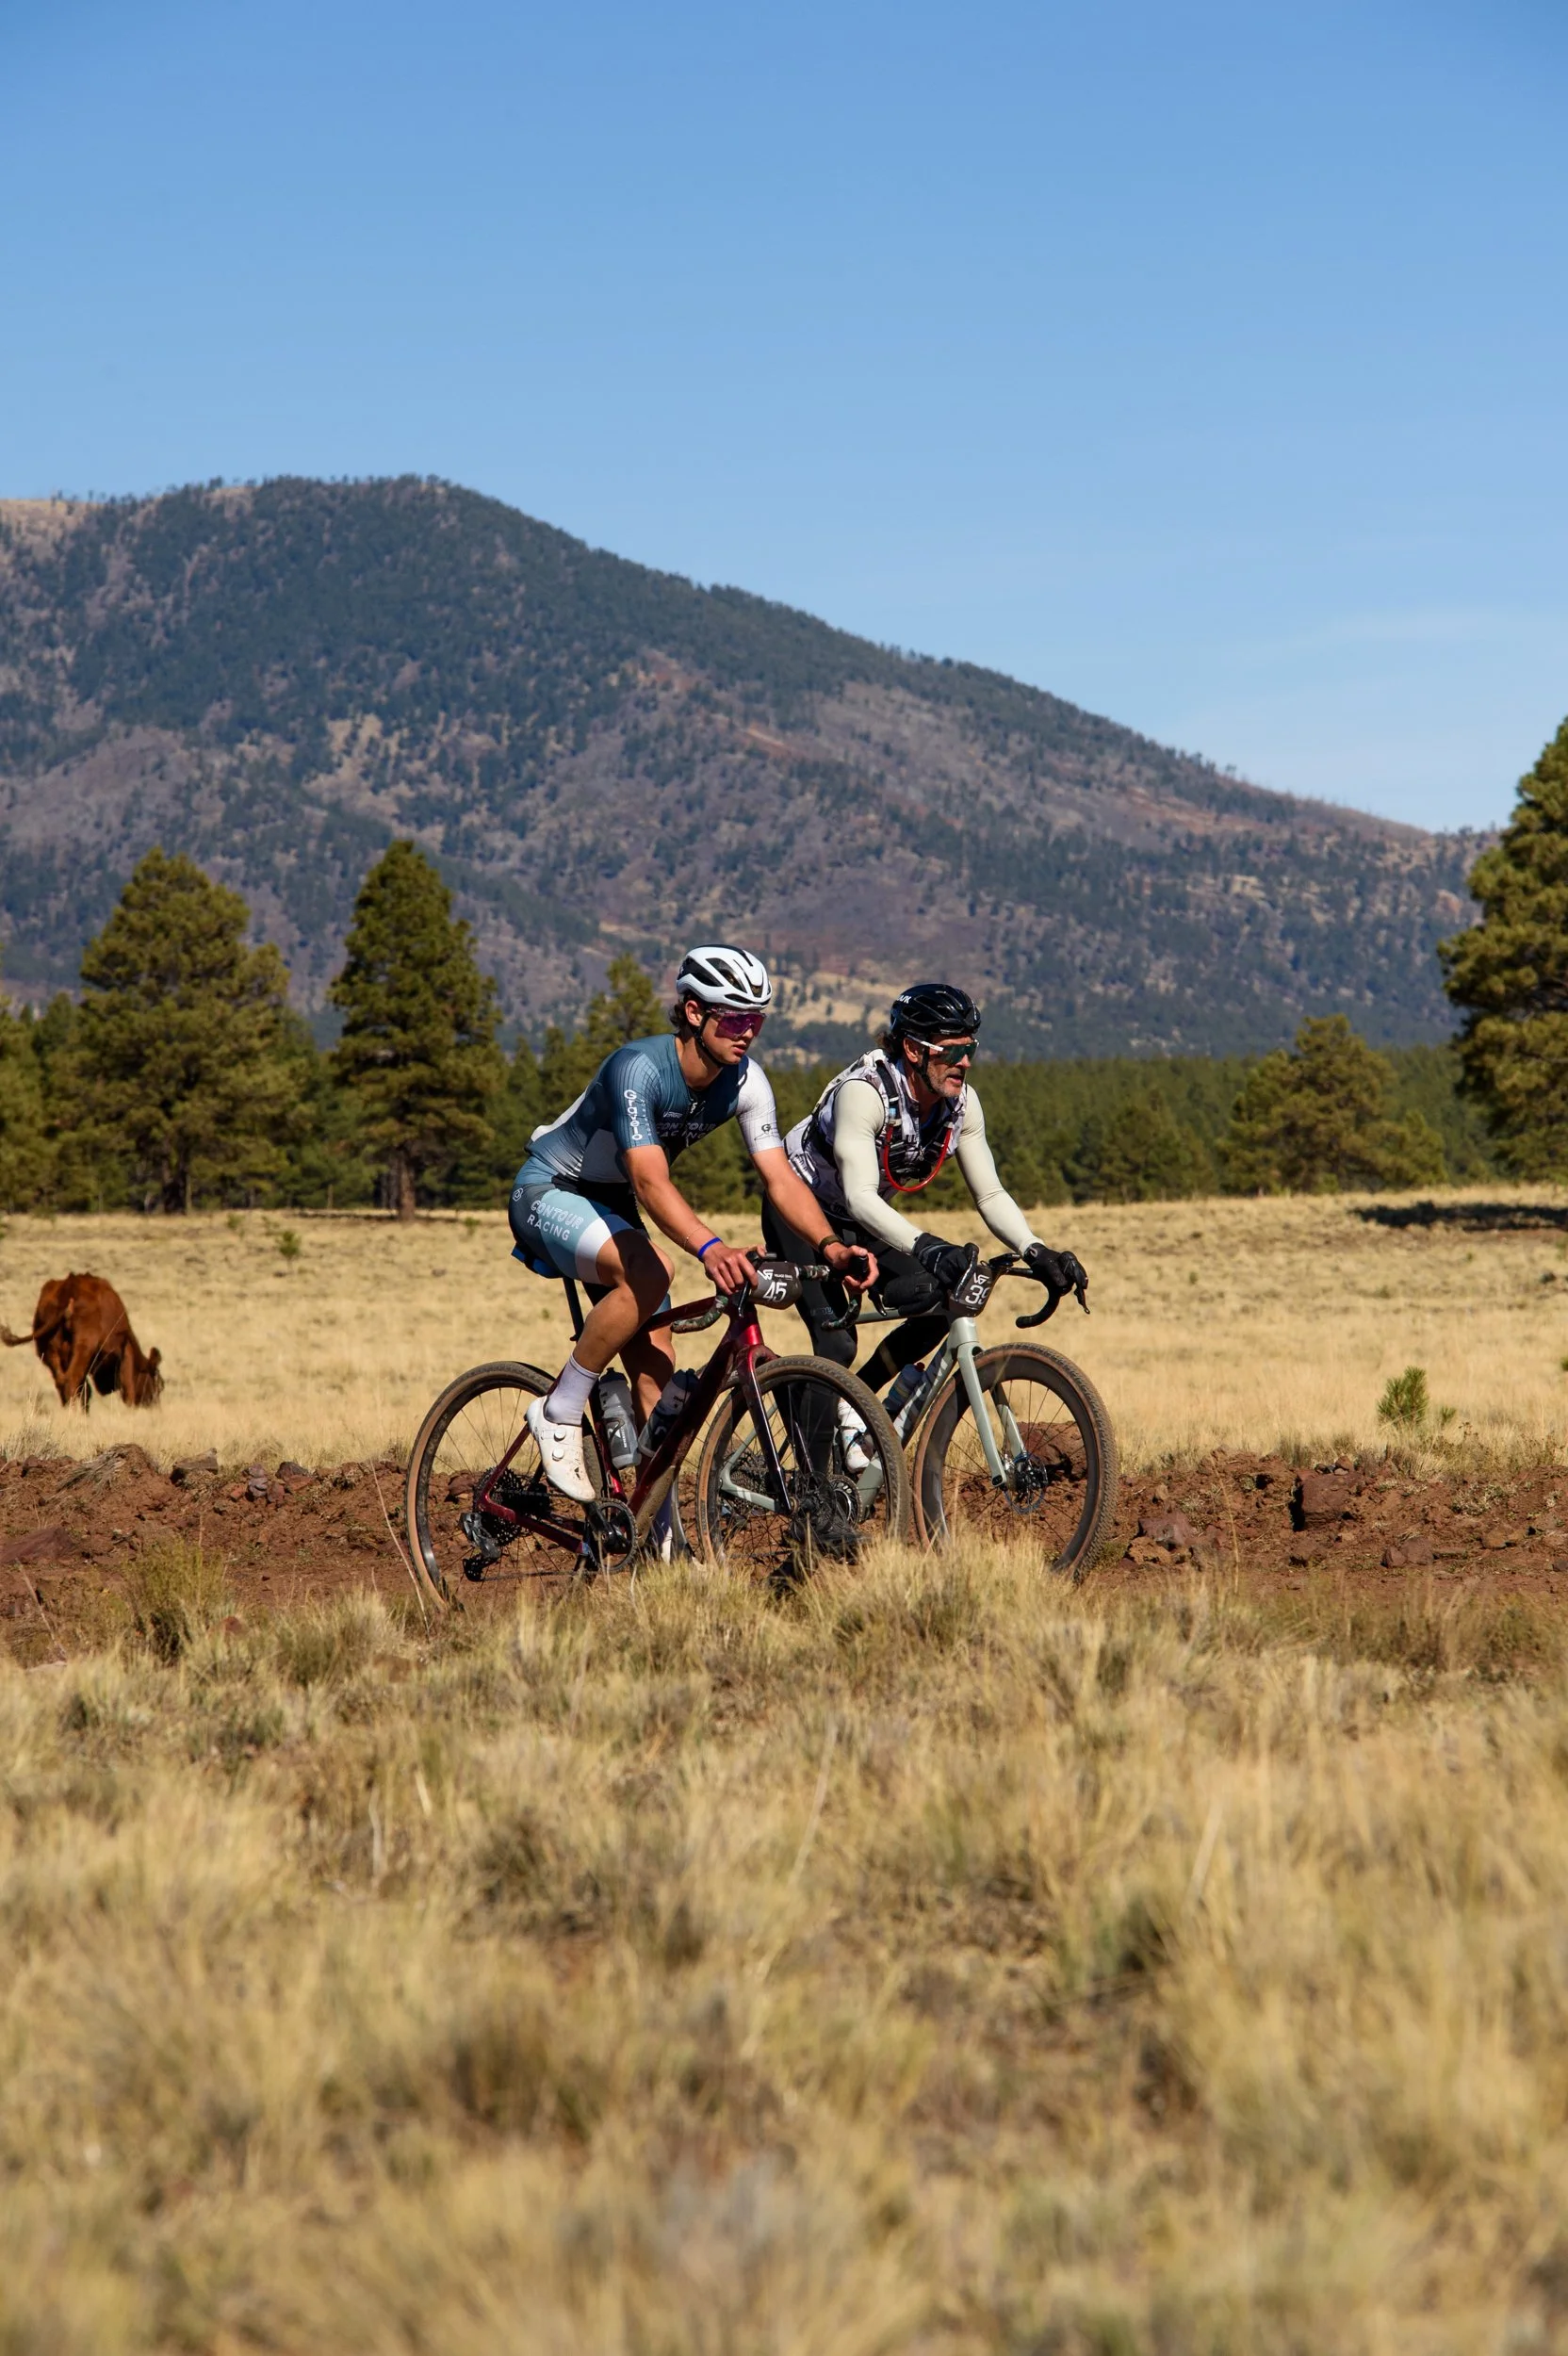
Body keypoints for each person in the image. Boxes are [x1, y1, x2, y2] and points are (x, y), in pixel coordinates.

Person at [511, 944, 876, 1501]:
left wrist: (830, 1247)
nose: (746, 1032)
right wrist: (711, 1249)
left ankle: (652, 1530)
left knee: (658, 1388)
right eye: (733, 1018)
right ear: (693, 1012)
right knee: (653, 1270)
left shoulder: (747, 1082)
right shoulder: (637, 1068)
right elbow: (649, 1180)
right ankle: (558, 1410)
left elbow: (780, 1178)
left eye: (756, 1020)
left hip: (613, 1207)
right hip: (550, 1189)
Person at [764, 981, 1087, 1398]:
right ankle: (814, 1440)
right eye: (951, 1051)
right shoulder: (865, 1094)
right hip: (801, 1210)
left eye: (970, 1049)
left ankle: (860, 1404)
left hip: (863, 1218)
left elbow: (990, 1194)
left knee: (941, 1305)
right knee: (837, 1346)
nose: (964, 1062)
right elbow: (860, 1196)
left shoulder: (962, 1105)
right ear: (914, 1050)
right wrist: (929, 1247)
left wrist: (1035, 1249)